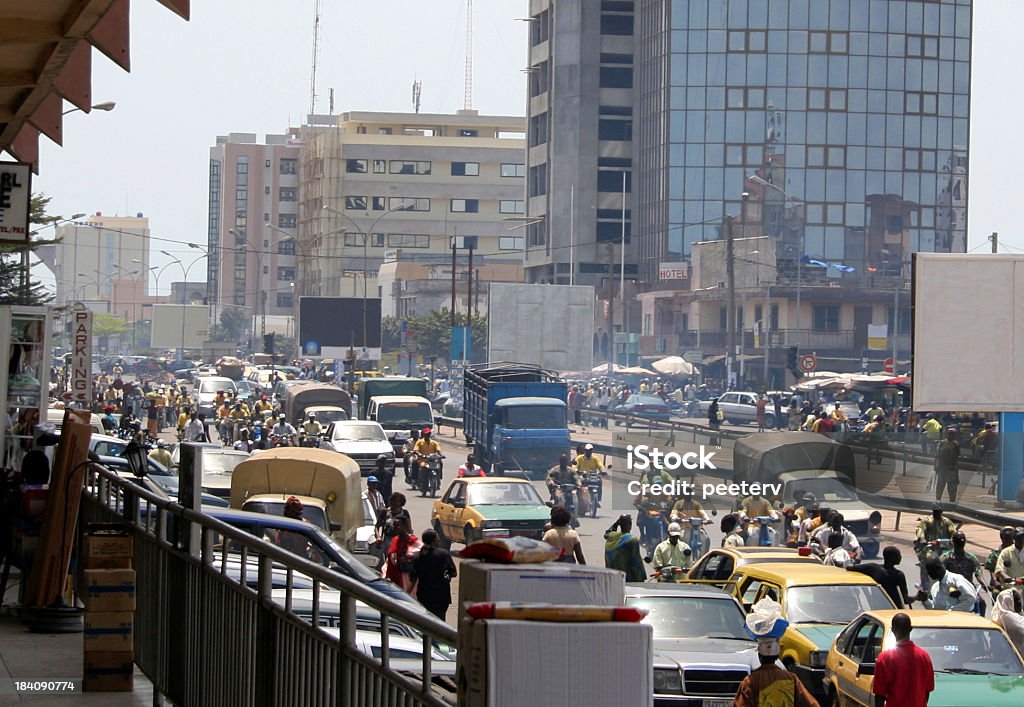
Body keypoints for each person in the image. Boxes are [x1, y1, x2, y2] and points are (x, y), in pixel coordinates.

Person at [733, 635, 819, 707]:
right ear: (777, 656)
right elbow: (811, 704)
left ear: (759, 656)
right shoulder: (791, 679)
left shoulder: (750, 681)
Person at [872, 613, 934, 707]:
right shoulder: (924, 656)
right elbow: (926, 692)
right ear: (910, 629)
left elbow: (880, 695)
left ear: (892, 630)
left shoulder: (885, 658)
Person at [411, 529, 457, 620]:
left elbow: (413, 577)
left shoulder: (417, 557)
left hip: (423, 595)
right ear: (433, 541)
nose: (439, 540)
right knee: (440, 623)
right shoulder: (443, 554)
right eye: (437, 538)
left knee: (425, 622)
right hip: (441, 596)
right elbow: (454, 573)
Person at [848, 546, 912, 609]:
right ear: (892, 558)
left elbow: (850, 567)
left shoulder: (873, 568)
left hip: (877, 608)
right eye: (898, 555)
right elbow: (906, 600)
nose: (900, 557)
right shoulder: (899, 575)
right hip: (893, 608)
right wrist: (917, 597)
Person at [384, 515, 421, 593]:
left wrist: (407, 560)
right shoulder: (395, 540)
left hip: (407, 578)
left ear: (404, 526)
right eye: (394, 526)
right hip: (394, 576)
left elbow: (422, 556)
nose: (395, 528)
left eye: (398, 526)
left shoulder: (413, 540)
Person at [604, 514, 645, 582]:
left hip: (611, 577)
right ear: (630, 524)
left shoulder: (611, 536)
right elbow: (636, 561)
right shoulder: (631, 539)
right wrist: (641, 578)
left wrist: (616, 524)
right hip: (625, 579)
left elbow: (607, 532)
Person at [991, 588, 1024, 655]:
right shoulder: (1007, 616)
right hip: (1014, 656)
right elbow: (1021, 629)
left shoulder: (998, 614)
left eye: (1019, 599)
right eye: (1016, 600)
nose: (1019, 603)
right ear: (1007, 601)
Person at [933, 426, 961, 502]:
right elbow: (937, 455)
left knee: (952, 488)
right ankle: (938, 501)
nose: (951, 435)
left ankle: (952, 502)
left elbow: (956, 456)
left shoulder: (956, 444)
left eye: (953, 434)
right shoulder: (942, 443)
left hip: (952, 469)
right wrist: (936, 466)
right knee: (940, 486)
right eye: (950, 434)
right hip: (942, 468)